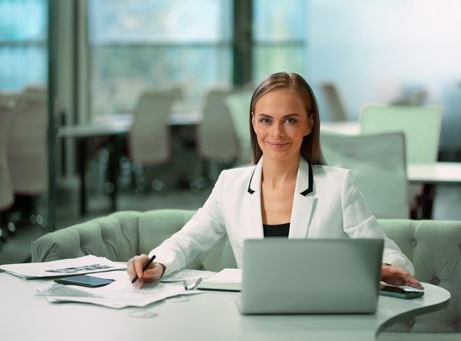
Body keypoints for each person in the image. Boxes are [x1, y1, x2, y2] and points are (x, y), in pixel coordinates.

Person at [128, 72, 422, 289]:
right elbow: (189, 238)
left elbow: (394, 257)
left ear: (309, 124)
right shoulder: (231, 184)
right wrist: (158, 263)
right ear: (254, 121)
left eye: (290, 120)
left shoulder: (338, 185)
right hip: (255, 319)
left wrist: (383, 269)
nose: (277, 133)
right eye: (266, 120)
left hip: (321, 318)